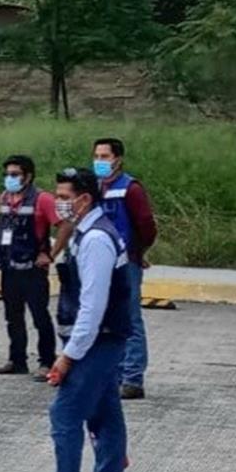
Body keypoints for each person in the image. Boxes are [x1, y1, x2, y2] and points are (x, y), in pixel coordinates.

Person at [32, 168, 130, 472]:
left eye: (65, 196)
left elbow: (93, 306)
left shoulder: (95, 241)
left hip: (97, 342)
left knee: (65, 416)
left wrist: (68, 355)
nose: (60, 203)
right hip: (97, 339)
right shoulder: (84, 233)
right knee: (105, 415)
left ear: (85, 199)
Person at [93, 137, 158, 400]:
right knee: (107, 320)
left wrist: (137, 252)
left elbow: (146, 225)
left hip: (125, 262)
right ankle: (114, 374)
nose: (99, 162)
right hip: (100, 262)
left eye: (104, 157)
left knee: (130, 318)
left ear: (118, 159)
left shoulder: (131, 189)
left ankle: (132, 378)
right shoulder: (94, 187)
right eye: (96, 156)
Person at [0, 155, 59, 377]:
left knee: (40, 316)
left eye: (15, 174)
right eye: (7, 175)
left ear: (28, 176)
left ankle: (47, 361)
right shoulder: (5, 198)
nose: (9, 179)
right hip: (10, 267)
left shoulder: (43, 199)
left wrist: (51, 254)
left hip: (33, 269)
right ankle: (17, 360)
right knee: (13, 316)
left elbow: (65, 224)